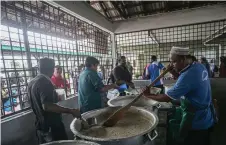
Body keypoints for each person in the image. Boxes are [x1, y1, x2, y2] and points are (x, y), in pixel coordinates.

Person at [142, 47, 216, 145]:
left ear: (184, 59)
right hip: (206, 115)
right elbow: (183, 78)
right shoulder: (198, 66)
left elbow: (166, 98)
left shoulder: (187, 76)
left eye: (174, 61)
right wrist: (173, 71)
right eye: (171, 61)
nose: (171, 64)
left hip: (196, 121)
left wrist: (148, 95)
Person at [28, 58, 81, 144]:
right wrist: (71, 111)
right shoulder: (45, 82)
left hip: (40, 126)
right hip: (52, 127)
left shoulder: (32, 82)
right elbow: (47, 106)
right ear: (52, 69)